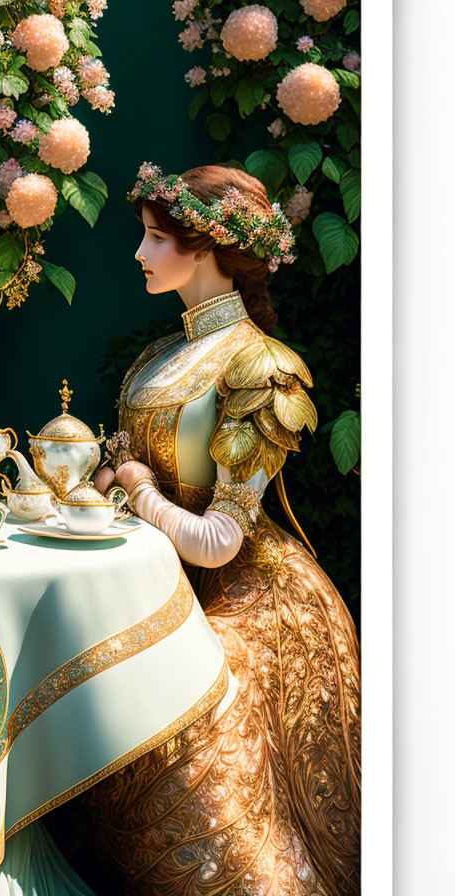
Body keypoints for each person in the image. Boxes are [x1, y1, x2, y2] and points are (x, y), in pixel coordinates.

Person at [87, 163, 360, 896]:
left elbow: (220, 541)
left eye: (153, 239)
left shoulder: (259, 365)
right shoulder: (160, 358)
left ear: (205, 248)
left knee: (192, 718)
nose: (140, 256)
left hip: (260, 606)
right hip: (172, 585)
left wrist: (135, 488)